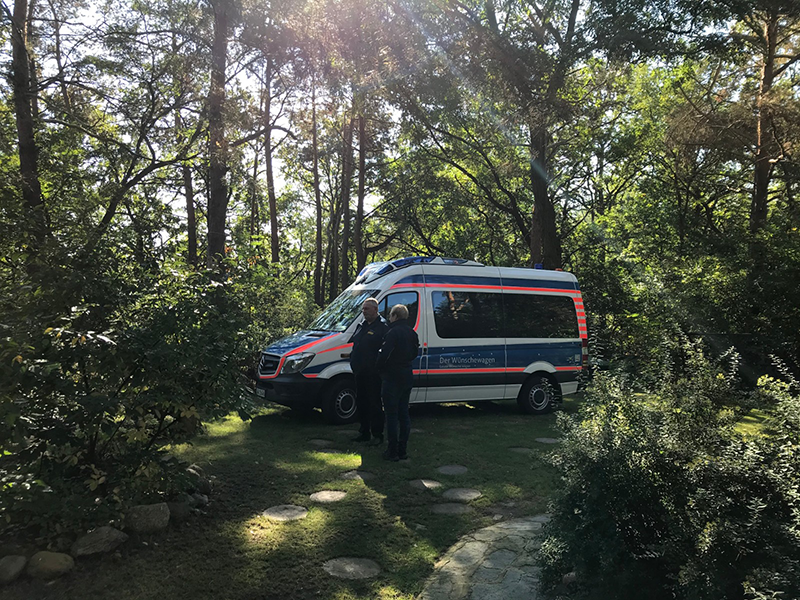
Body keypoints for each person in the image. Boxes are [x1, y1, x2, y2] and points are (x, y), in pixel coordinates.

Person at [376, 304, 420, 461]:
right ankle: (403, 450)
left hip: (392, 377)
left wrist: (379, 368)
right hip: (407, 375)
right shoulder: (412, 333)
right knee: (404, 414)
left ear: (394, 316)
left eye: (390, 315)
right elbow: (415, 352)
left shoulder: (392, 333)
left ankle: (392, 451)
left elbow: (384, 355)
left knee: (391, 415)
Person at [347, 298, 388, 444]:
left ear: (376, 310)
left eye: (367, 309)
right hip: (360, 372)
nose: (364, 312)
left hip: (373, 373)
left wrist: (377, 366)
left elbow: (384, 351)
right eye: (363, 309)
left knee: (374, 403)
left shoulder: (382, 327)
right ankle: (364, 432)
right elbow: (356, 344)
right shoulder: (361, 325)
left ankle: (377, 434)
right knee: (361, 402)